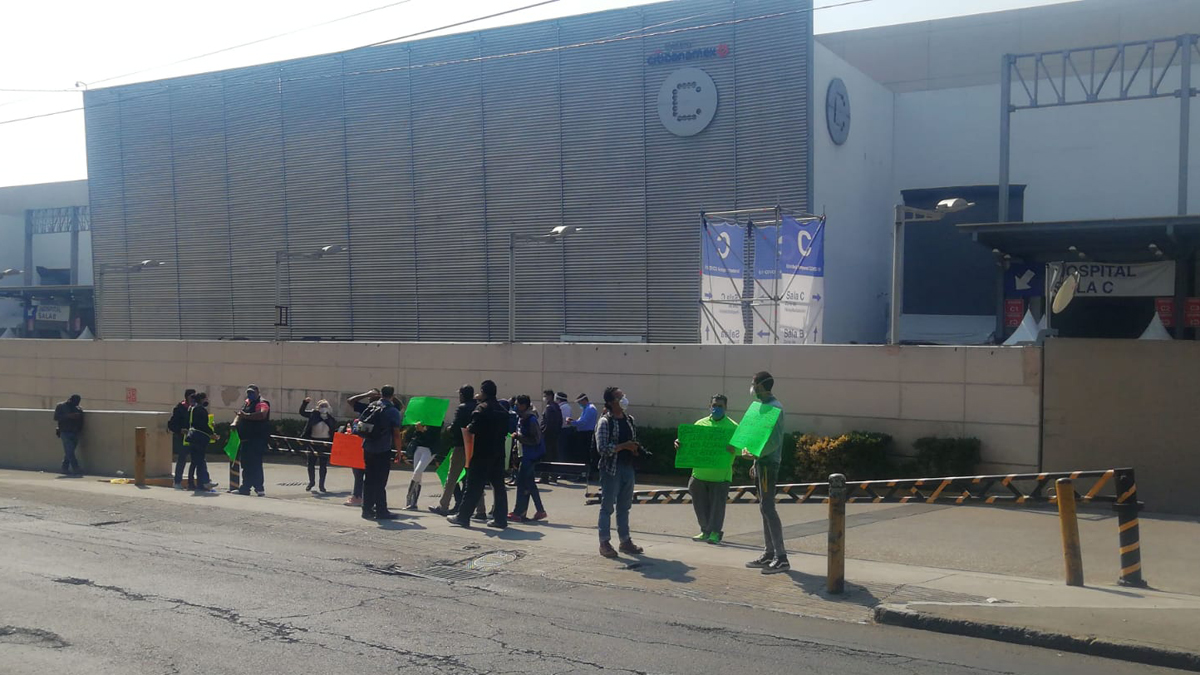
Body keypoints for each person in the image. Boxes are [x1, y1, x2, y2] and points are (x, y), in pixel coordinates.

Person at [732, 371, 789, 575]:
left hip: (769, 465)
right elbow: (755, 435)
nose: (752, 387)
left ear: (761, 386)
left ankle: (781, 557)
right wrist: (754, 460)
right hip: (761, 464)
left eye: (754, 383)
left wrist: (755, 454)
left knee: (768, 508)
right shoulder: (760, 407)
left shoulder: (774, 408)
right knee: (764, 508)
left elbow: (772, 441)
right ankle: (769, 553)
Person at [447, 380, 510, 529]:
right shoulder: (503, 410)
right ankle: (500, 519)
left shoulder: (481, 409)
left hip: (482, 453)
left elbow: (472, 429)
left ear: (483, 392)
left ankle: (463, 517)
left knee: (473, 486)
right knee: (499, 487)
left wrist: (469, 427)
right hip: (498, 453)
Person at [675, 394, 738, 544]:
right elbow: (689, 443)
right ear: (709, 406)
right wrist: (679, 443)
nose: (716, 408)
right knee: (699, 505)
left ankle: (715, 532)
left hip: (721, 475)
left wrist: (734, 448)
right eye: (714, 405)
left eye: (720, 406)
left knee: (718, 506)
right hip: (698, 474)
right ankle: (705, 531)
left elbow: (744, 450)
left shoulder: (733, 427)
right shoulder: (700, 423)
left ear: (726, 408)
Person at [595, 386, 643, 558]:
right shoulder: (605, 421)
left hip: (628, 468)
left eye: (623, 395)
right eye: (618, 396)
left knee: (624, 507)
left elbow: (633, 440)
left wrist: (635, 449)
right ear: (609, 402)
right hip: (611, 469)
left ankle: (625, 541)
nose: (623, 398)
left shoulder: (629, 419)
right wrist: (623, 446)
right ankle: (604, 542)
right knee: (607, 507)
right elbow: (602, 449)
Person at [431, 385, 485, 518]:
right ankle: (481, 510)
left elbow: (455, 427)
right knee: (474, 479)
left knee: (452, 477)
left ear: (462, 395)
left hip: (461, 446)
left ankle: (444, 505)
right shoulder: (478, 407)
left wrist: (449, 429)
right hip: (476, 447)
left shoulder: (462, 408)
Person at [360, 385, 404, 520]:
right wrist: (399, 451)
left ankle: (366, 510)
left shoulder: (372, 405)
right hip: (382, 448)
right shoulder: (392, 411)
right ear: (392, 395)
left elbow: (361, 424)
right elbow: (396, 434)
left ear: (381, 394)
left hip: (368, 447)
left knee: (368, 480)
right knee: (380, 481)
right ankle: (381, 510)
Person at [508, 394, 547, 522]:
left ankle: (518, 512)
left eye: (518, 405)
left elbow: (535, 440)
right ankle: (539, 510)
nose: (516, 407)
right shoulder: (522, 418)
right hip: (524, 455)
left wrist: (519, 437)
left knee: (521, 483)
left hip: (530, 456)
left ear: (524, 405)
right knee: (530, 484)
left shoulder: (531, 420)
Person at [343, 388, 380, 506]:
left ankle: (362, 497)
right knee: (358, 472)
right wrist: (366, 394)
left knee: (365, 472)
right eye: (370, 396)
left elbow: (400, 407)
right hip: (359, 445)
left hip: (371, 445)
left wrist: (389, 396)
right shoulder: (366, 408)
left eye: (374, 396)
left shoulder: (381, 410)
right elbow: (350, 401)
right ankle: (358, 496)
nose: (371, 398)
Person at [235, 384, 271, 497]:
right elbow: (241, 413)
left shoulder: (262, 402)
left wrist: (247, 416)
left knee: (255, 464)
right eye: (248, 392)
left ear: (257, 392)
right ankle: (245, 487)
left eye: (252, 392)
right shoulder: (247, 402)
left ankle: (259, 488)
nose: (250, 395)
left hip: (256, 439)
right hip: (246, 439)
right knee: (246, 464)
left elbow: (262, 414)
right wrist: (235, 422)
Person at [299, 397, 338, 493]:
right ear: (318, 407)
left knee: (323, 465)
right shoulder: (314, 415)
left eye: (325, 406)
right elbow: (302, 412)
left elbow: (333, 431)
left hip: (325, 443)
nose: (323, 408)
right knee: (311, 463)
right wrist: (305, 403)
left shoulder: (331, 419)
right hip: (313, 441)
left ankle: (322, 485)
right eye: (321, 406)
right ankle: (311, 482)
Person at [183, 391, 218, 492]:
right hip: (200, 438)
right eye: (206, 398)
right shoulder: (201, 410)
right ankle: (203, 483)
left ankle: (191, 484)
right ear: (202, 399)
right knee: (201, 461)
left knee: (194, 462)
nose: (207, 400)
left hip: (192, 437)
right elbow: (203, 425)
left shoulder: (192, 408)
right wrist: (212, 433)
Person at [404, 418, 440, 511]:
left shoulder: (437, 421)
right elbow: (415, 436)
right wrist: (418, 430)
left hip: (429, 450)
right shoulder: (421, 420)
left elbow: (433, 438)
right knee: (418, 476)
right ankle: (413, 503)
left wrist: (422, 430)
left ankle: (408, 497)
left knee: (417, 472)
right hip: (418, 448)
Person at [170, 389, 196, 489]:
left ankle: (192, 483)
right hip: (183, 438)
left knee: (197, 460)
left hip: (194, 437)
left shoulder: (195, 408)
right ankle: (177, 481)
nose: (193, 399)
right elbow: (172, 424)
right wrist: (180, 430)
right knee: (182, 459)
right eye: (191, 396)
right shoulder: (179, 408)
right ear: (187, 397)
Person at [53, 394, 85, 475]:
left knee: (69, 451)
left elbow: (81, 421)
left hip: (75, 431)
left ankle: (64, 467)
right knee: (69, 451)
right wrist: (69, 416)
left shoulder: (78, 408)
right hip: (65, 431)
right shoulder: (61, 406)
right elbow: (56, 417)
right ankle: (76, 468)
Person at [537, 389, 563, 484]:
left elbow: (547, 423)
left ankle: (544, 477)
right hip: (555, 435)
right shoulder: (557, 407)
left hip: (547, 436)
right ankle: (554, 476)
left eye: (545, 396)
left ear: (550, 396)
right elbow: (560, 422)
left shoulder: (549, 408)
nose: (544, 398)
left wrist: (542, 432)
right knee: (553, 456)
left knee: (546, 457)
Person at [566, 393, 597, 466]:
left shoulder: (590, 409)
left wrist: (572, 423)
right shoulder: (586, 408)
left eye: (579, 402)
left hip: (586, 434)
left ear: (584, 400)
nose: (579, 404)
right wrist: (574, 421)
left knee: (584, 454)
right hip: (583, 433)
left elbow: (583, 422)